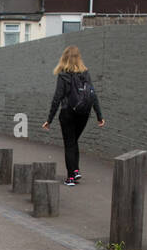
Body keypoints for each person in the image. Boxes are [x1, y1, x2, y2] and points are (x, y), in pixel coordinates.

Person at [41, 45, 104, 186]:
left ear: (64, 58)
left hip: (68, 113)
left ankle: (70, 178)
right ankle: (75, 170)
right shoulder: (85, 73)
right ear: (78, 58)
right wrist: (99, 116)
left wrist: (49, 119)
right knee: (74, 141)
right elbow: (92, 95)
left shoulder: (63, 75)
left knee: (69, 143)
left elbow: (57, 98)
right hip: (84, 113)